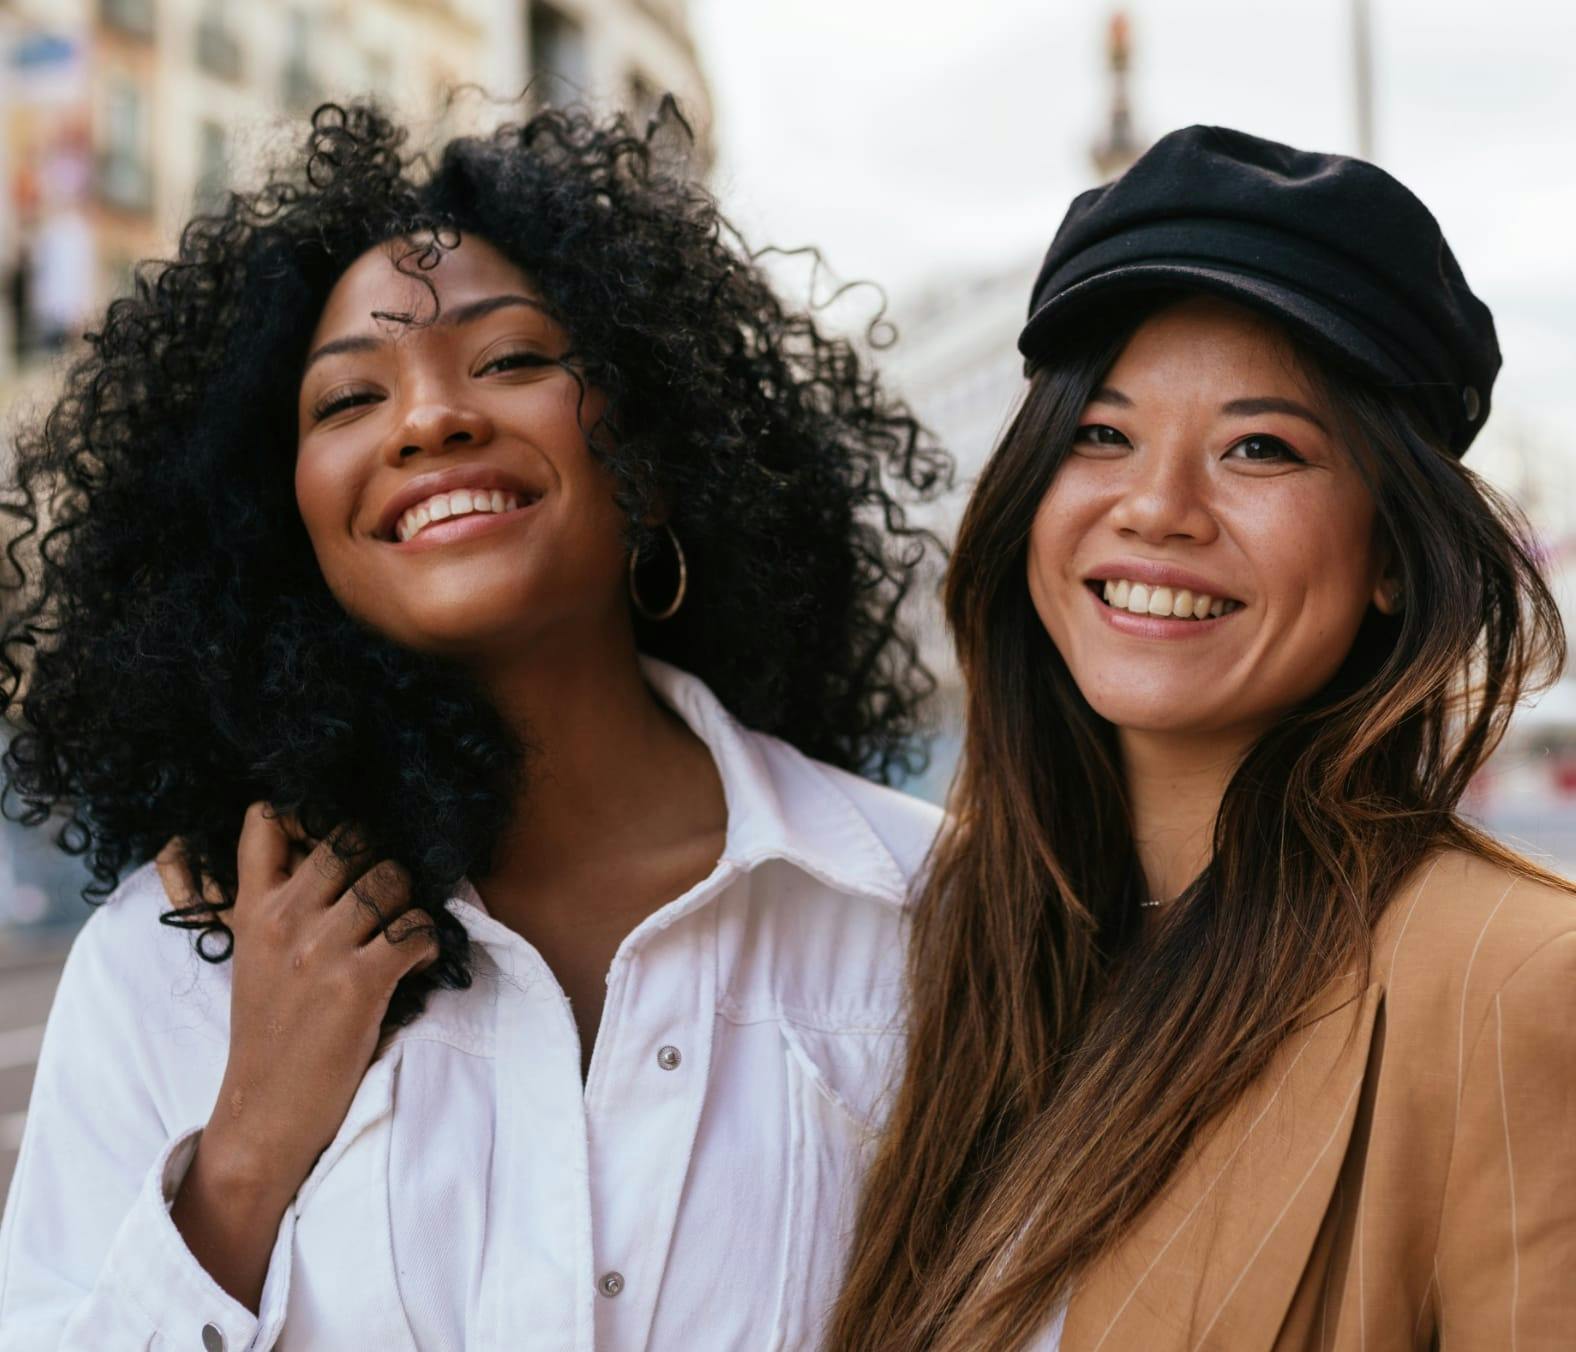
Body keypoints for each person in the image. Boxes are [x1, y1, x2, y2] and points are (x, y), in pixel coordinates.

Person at [0, 101, 947, 1350]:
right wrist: (245, 1154)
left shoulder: (927, 913)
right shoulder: (171, 964)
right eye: (345, 399)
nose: (429, 417)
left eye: (509, 360)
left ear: (655, 458)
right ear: (279, 524)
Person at [831, 126, 1575, 1351]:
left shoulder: (1513, 984)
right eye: (1101, 433)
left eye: (1258, 447)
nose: (1157, 508)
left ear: (1392, 551)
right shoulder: (967, 942)